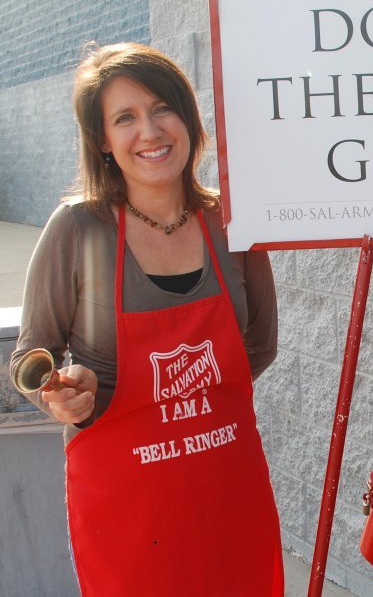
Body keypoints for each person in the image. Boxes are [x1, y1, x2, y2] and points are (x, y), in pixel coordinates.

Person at [9, 42, 283, 595]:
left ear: (188, 117)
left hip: (229, 491)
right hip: (127, 509)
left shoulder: (232, 221)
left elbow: (260, 344)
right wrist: (63, 396)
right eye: (124, 118)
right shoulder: (78, 229)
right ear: (103, 142)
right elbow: (28, 358)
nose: (150, 131)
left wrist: (195, 414)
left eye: (162, 108)